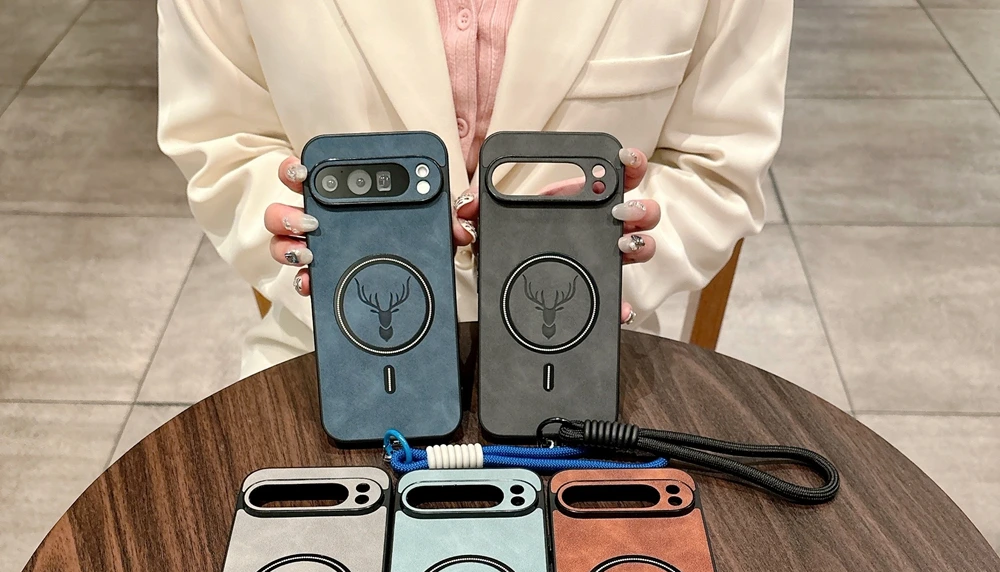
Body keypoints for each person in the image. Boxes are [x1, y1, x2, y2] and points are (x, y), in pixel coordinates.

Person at [158, 0, 792, 376]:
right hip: (326, 352)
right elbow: (222, 136)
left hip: (597, 357)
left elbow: (718, 161)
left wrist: (611, 257)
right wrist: (309, 233)